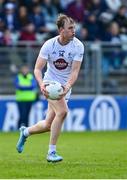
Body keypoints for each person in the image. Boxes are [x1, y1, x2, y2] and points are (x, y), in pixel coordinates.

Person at [16, 14, 84, 162]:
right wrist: (41, 84)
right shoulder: (49, 44)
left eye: (74, 28)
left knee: (48, 125)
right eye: (70, 28)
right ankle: (51, 152)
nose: (74, 31)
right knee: (63, 112)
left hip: (65, 86)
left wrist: (67, 87)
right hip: (50, 83)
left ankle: (25, 132)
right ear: (61, 30)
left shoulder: (78, 46)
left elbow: (75, 71)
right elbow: (37, 69)